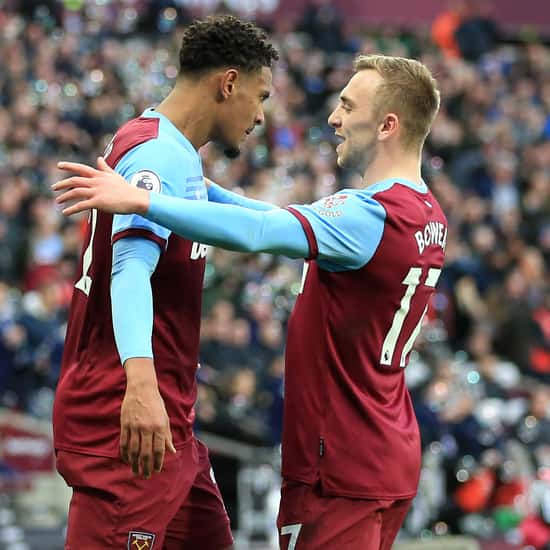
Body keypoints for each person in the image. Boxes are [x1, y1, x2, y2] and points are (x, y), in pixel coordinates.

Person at [54, 54, 446, 550]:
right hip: (387, 444)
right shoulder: (426, 212)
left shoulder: (366, 214)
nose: (334, 118)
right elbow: (279, 216)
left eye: (347, 105)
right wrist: (201, 191)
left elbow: (263, 231)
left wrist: (145, 201)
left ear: (388, 124)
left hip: (340, 458)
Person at [51, 15, 278, 550]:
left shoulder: (173, 156)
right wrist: (142, 386)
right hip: (129, 421)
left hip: (171, 430)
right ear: (228, 83)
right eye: (259, 95)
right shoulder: (159, 155)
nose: (261, 115)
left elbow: (255, 222)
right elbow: (130, 271)